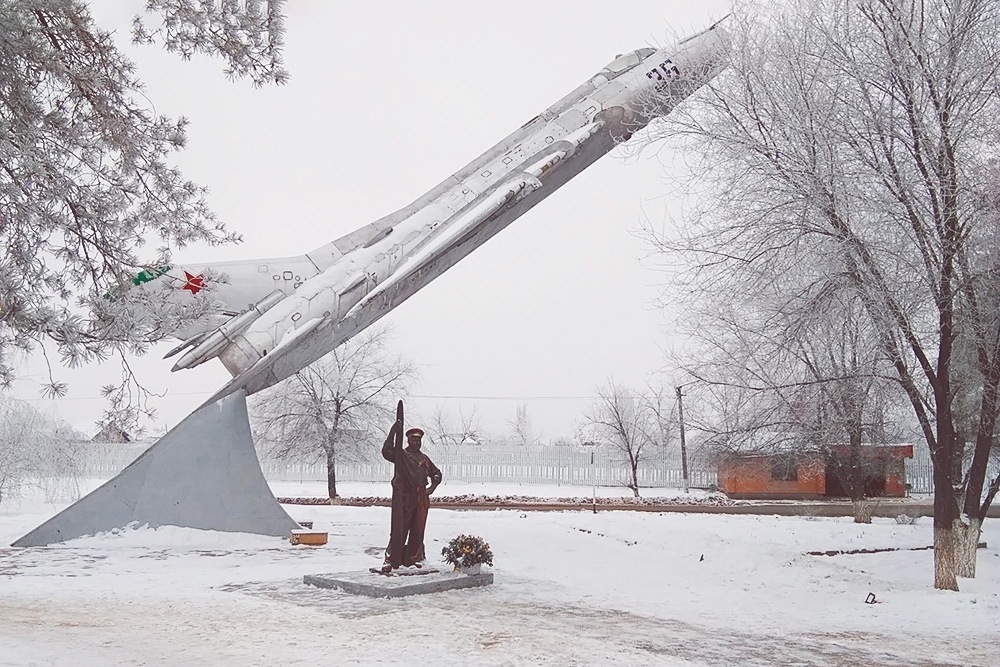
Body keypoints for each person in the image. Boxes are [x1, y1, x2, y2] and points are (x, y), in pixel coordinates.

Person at [380, 419, 442, 570]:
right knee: (400, 528)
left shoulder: (424, 459)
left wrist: (433, 486)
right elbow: (387, 452)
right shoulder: (402, 455)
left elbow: (437, 473)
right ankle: (391, 558)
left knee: (418, 529)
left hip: (421, 498)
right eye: (414, 440)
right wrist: (393, 432)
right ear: (407, 440)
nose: (417, 443)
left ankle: (413, 558)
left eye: (419, 440)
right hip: (407, 497)